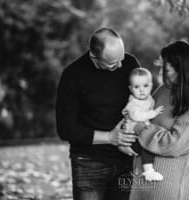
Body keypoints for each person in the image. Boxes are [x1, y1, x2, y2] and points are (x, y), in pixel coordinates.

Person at [55, 27, 140, 200]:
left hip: (125, 162)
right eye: (112, 63)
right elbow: (65, 129)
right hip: (88, 163)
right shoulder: (72, 76)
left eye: (121, 58)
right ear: (94, 56)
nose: (120, 66)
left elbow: (141, 100)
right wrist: (110, 137)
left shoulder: (130, 64)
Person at [128, 40, 189, 200]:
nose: (161, 71)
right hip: (141, 184)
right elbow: (136, 116)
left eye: (165, 68)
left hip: (167, 190)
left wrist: (141, 129)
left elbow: (174, 143)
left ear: (180, 69)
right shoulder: (163, 90)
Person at [121, 68, 164, 181]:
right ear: (130, 89)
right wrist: (153, 113)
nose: (141, 90)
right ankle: (149, 171)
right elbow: (136, 117)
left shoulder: (150, 99)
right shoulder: (132, 104)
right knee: (147, 146)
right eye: (136, 87)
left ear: (151, 85)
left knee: (149, 142)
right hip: (130, 137)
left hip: (139, 133)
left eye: (145, 86)